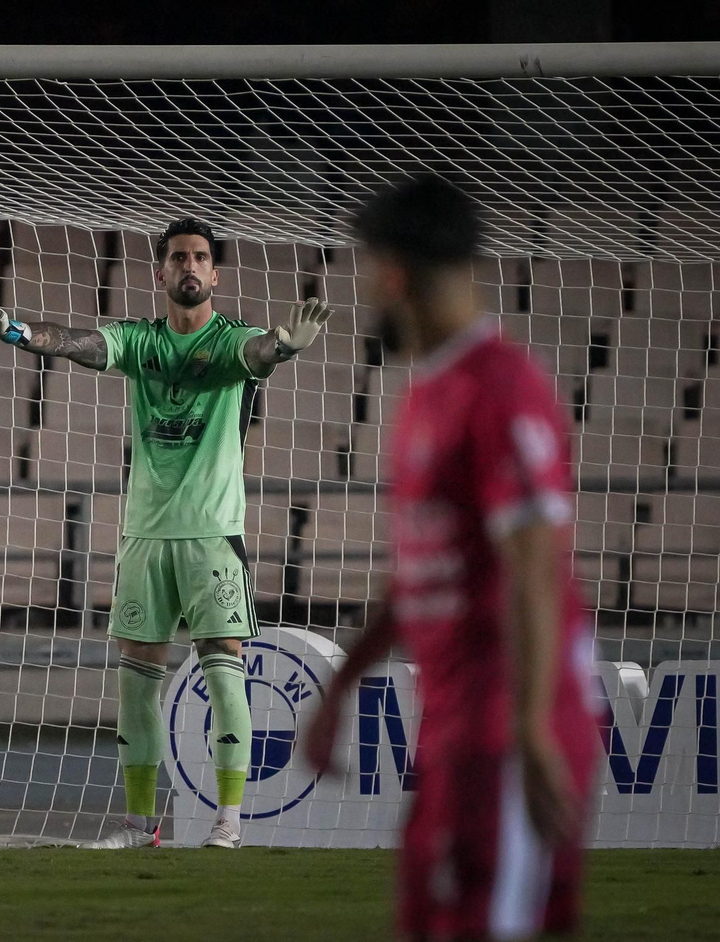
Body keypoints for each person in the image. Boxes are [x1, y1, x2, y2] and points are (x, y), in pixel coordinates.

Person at [0, 218, 333, 849]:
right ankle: (137, 824)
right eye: (179, 257)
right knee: (135, 678)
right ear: (160, 273)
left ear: (215, 274)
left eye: (201, 258)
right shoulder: (139, 341)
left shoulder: (232, 342)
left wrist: (287, 347)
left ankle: (229, 820)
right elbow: (74, 342)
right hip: (145, 537)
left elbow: (261, 351)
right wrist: (9, 329)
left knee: (223, 669)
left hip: (212, 535)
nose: (190, 265)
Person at [301, 175, 601, 940]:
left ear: (394, 271)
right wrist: (343, 682)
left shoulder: (501, 389)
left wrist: (530, 731)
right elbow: (425, 571)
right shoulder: (427, 394)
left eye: (369, 267)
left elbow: (534, 562)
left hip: (507, 729)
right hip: (455, 727)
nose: (368, 286)